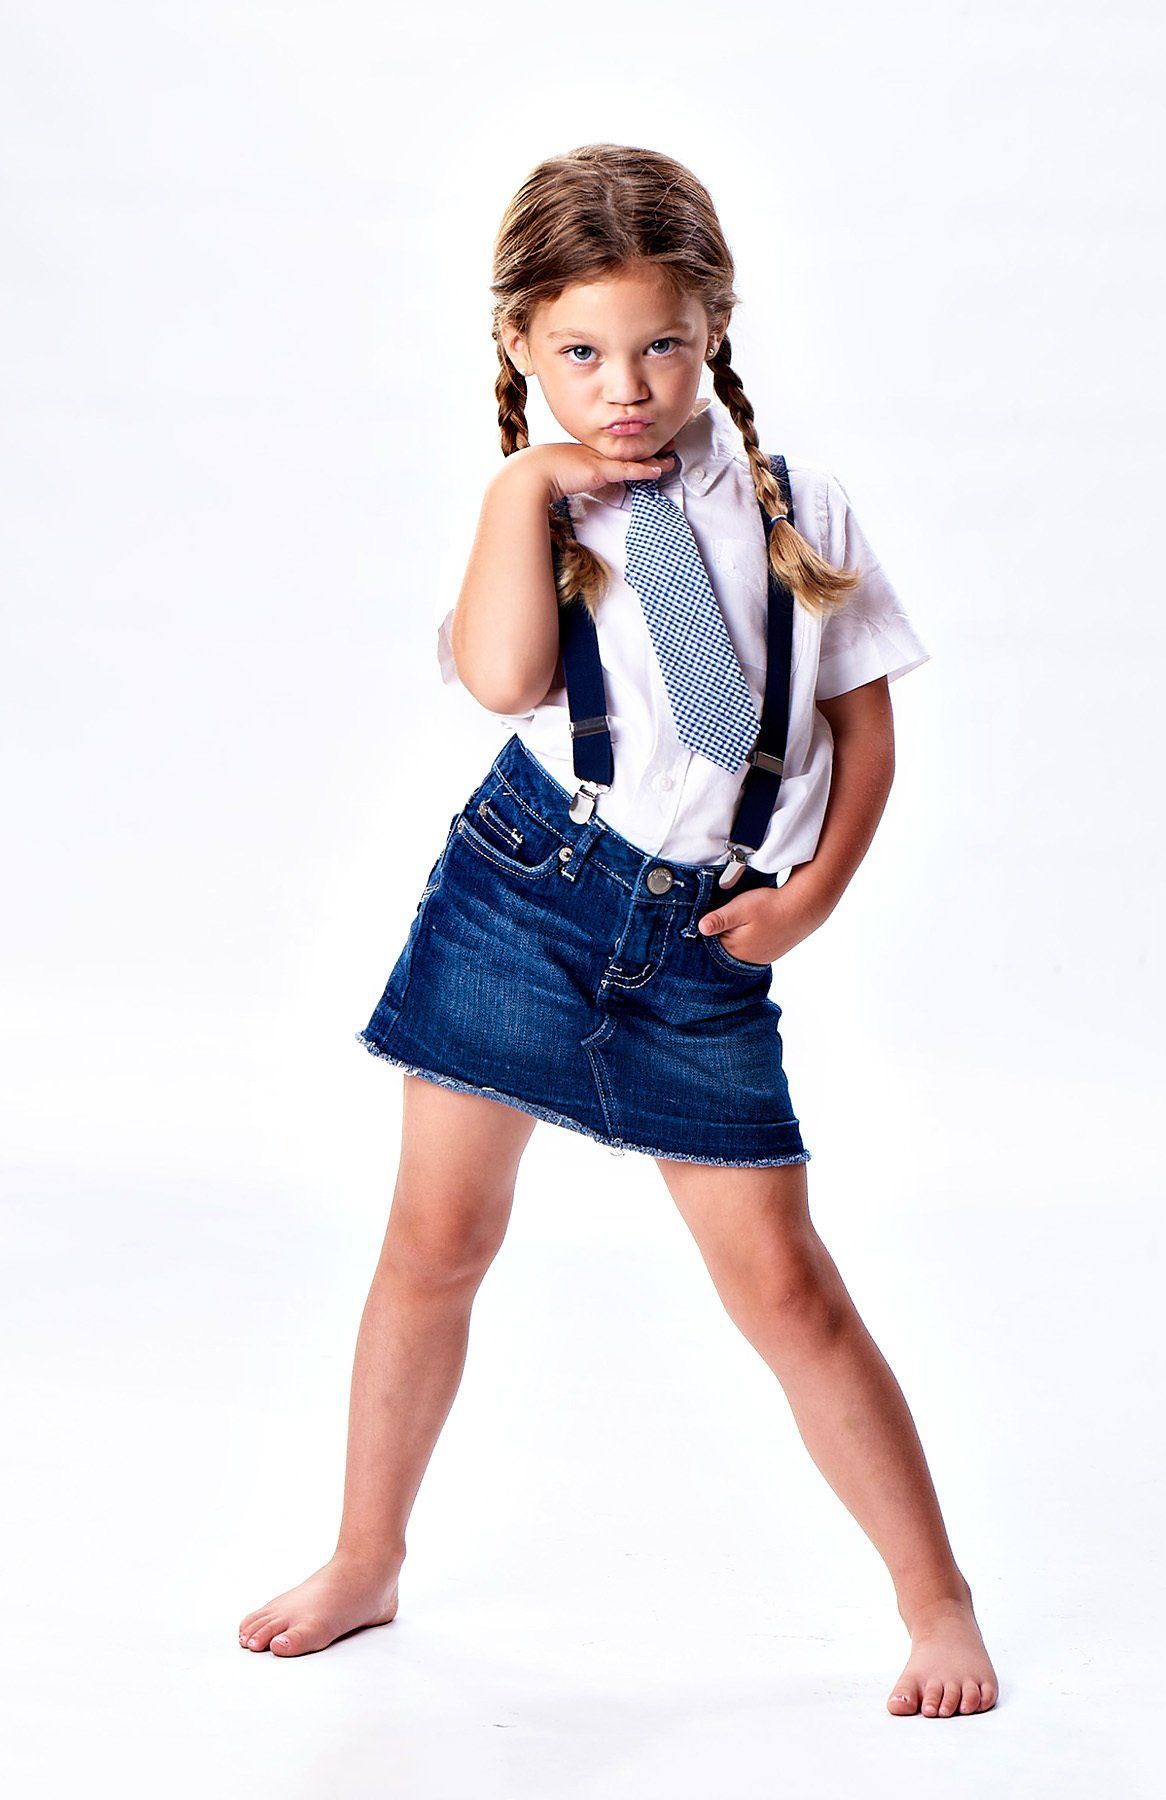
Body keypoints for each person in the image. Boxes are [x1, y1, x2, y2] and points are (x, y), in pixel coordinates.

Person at [238, 143, 999, 1718]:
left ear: (713, 324)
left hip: (706, 946)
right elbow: (510, 684)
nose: (626, 386)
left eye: (657, 344)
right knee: (436, 1244)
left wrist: (817, 895)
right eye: (579, 353)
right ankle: (366, 1556)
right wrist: (524, 480)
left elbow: (865, 738)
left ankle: (936, 1598)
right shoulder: (540, 507)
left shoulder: (800, 505)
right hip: (524, 894)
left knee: (788, 1291)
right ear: (519, 345)